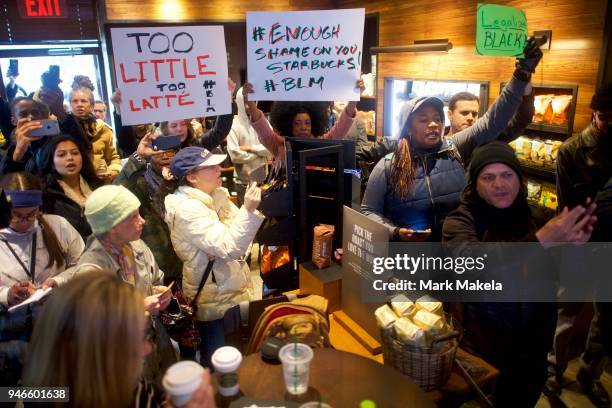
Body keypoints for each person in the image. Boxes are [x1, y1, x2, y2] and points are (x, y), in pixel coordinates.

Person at [442, 141, 597, 407]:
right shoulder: (460, 220)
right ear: (474, 185)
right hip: (482, 349)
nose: (499, 184)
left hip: (532, 348)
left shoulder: (536, 217)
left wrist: (574, 250)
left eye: (507, 175)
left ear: (519, 179)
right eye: (488, 177)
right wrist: (540, 243)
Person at [360, 37, 543, 241]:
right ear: (408, 127)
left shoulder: (455, 148)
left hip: (457, 251)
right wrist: (395, 232)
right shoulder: (387, 166)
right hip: (409, 260)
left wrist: (522, 74)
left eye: (437, 119)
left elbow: (493, 119)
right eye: (424, 120)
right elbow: (368, 211)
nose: (433, 124)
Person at [22, 271, 215, 408]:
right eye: (133, 341)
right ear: (93, 350)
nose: (147, 349)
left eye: (144, 336)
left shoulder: (122, 382)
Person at [164, 146, 265, 367]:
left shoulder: (215, 196)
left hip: (230, 288)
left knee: (240, 356)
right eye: (210, 167)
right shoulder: (187, 209)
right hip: (214, 299)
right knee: (221, 364)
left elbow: (239, 246)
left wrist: (231, 241)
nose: (219, 169)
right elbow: (231, 247)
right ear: (191, 177)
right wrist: (247, 212)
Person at [548, 83, 612, 407]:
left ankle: (590, 374)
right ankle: (552, 372)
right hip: (582, 242)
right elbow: (565, 205)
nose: (608, 123)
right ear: (594, 114)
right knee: (566, 313)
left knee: (608, 316)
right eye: (603, 116)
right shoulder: (572, 150)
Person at [74, 185, 176, 383]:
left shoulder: (135, 245)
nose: (143, 221)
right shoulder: (91, 270)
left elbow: (155, 277)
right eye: (134, 217)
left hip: (153, 337)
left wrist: (160, 291)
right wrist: (137, 307)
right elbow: (93, 321)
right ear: (112, 226)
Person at [0, 172, 84, 385]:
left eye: (31, 214)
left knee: (52, 397)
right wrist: (6, 294)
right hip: (8, 341)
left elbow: (85, 264)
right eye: (16, 215)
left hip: (55, 332)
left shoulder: (58, 226)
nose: (24, 222)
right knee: (8, 396)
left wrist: (59, 282)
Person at [243, 79, 365, 164]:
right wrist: (249, 101)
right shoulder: (279, 145)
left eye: (307, 123)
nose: (303, 128)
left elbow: (342, 126)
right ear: (289, 124)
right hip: (285, 198)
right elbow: (262, 127)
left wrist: (354, 98)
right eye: (297, 123)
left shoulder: (323, 143)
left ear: (314, 124)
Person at [114, 133, 182, 283]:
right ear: (149, 156)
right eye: (158, 152)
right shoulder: (139, 181)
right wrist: (138, 157)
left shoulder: (186, 179)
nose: (164, 157)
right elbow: (116, 194)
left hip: (187, 262)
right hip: (157, 263)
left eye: (170, 152)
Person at [36, 134, 102, 239]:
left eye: (75, 153)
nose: (70, 158)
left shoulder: (97, 184)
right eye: (61, 155)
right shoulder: (46, 195)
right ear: (52, 162)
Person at [227, 87, 271, 205]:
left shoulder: (263, 122)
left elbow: (271, 147)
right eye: (244, 102)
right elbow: (235, 155)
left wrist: (251, 149)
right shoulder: (233, 125)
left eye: (251, 101)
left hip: (263, 181)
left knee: (265, 218)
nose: (248, 106)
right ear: (239, 102)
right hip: (243, 183)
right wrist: (260, 154)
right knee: (248, 219)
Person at [68, 86, 122, 181]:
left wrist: (113, 171)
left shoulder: (103, 129)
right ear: (70, 105)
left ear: (92, 106)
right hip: (74, 183)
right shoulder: (62, 128)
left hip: (101, 183)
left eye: (84, 101)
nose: (79, 104)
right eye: (75, 101)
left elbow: (113, 158)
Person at [0, 97, 51, 175]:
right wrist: (18, 152)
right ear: (14, 121)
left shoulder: (52, 140)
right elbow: (6, 181)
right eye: (23, 114)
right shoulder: (6, 150)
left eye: (35, 112)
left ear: (41, 116)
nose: (31, 117)